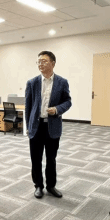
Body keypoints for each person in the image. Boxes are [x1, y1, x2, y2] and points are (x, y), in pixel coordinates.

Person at [25, 51, 72, 199]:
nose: (40, 64)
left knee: (51, 158)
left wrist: (57, 109)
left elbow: (68, 101)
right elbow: (28, 106)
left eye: (44, 61)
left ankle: (51, 186)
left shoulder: (62, 82)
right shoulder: (32, 83)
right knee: (36, 159)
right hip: (36, 126)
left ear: (53, 63)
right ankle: (38, 185)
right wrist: (28, 126)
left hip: (52, 126)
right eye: (38, 61)